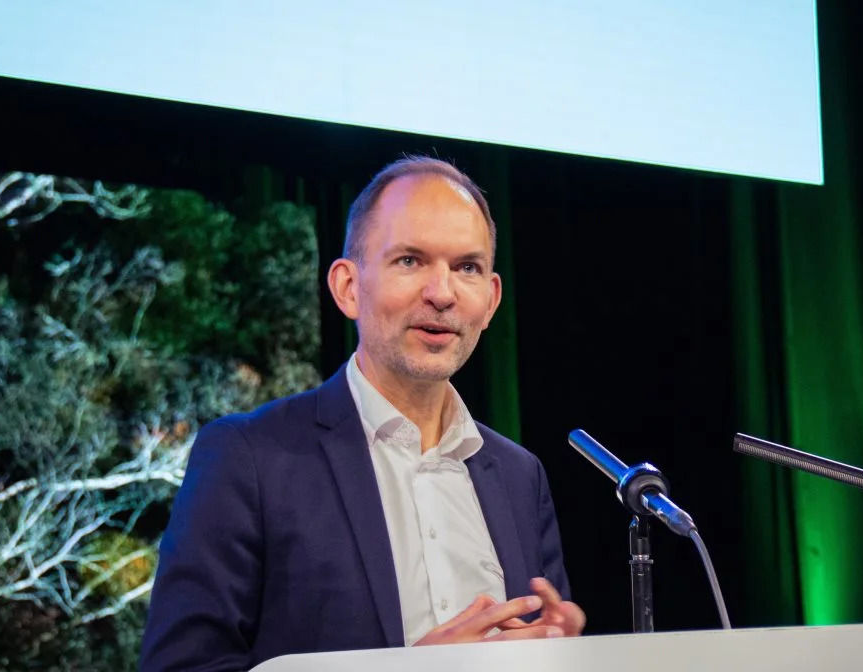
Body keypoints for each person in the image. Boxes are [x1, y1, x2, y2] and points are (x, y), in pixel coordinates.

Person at [138, 156, 585, 671]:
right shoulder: (249, 457)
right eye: (410, 261)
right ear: (349, 287)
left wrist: (562, 653)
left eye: (467, 268)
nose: (442, 293)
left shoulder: (519, 475)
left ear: (490, 300)